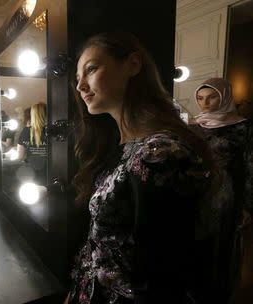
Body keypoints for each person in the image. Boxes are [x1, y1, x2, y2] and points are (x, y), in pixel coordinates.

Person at [67, 32, 214, 304]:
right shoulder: (121, 146)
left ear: (133, 64)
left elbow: (162, 274)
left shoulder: (161, 154)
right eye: (78, 78)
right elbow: (98, 245)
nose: (80, 87)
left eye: (90, 69)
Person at [190, 78, 252, 303]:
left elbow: (250, 166)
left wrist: (247, 206)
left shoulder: (243, 127)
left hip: (227, 195)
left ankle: (218, 293)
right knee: (195, 242)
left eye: (211, 97)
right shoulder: (193, 126)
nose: (205, 103)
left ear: (225, 96)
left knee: (221, 244)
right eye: (200, 98)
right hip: (196, 193)